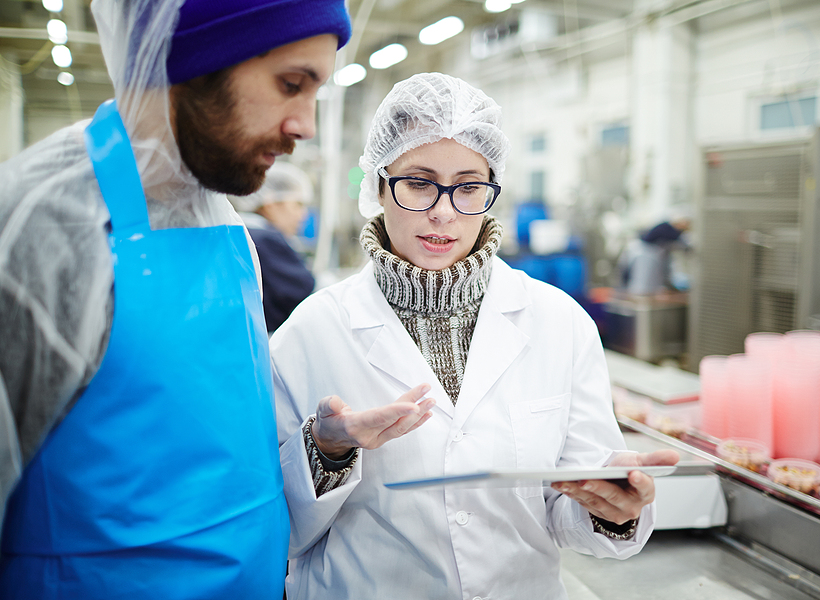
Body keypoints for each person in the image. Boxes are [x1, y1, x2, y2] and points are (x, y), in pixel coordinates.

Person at [272, 73, 679, 600]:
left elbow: (569, 508)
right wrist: (326, 451)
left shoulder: (558, 321)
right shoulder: (313, 330)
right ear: (377, 185)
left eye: (468, 187)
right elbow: (276, 528)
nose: (443, 211)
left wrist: (612, 509)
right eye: (418, 182)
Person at [0, 0, 350, 598]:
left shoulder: (223, 223)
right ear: (197, 59)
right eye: (291, 84)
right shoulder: (45, 227)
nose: (306, 125)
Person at [231, 162, 317, 332]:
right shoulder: (265, 239)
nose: (303, 215)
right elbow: (304, 291)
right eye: (297, 204)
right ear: (271, 203)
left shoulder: (238, 232)